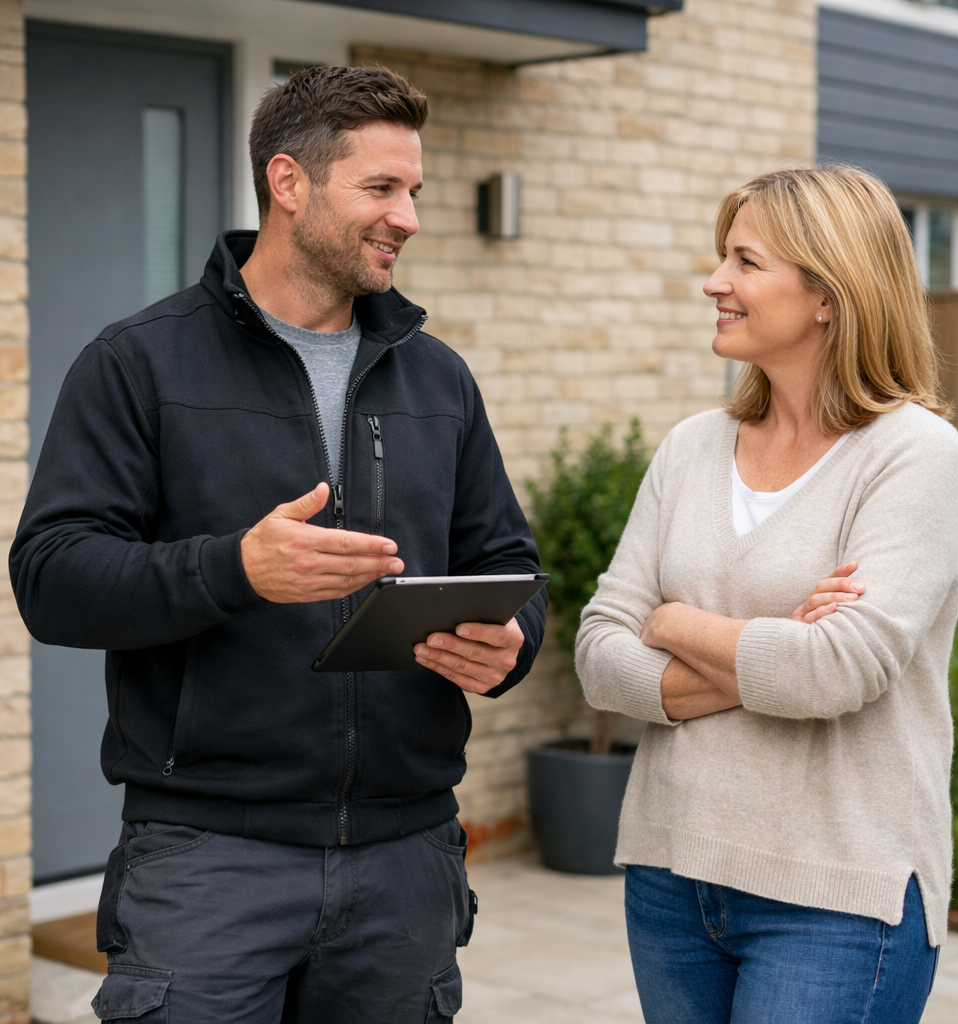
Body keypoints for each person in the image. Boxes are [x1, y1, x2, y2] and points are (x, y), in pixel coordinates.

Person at [11, 65, 547, 1023]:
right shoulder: (139, 361)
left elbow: (513, 567)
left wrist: (511, 646)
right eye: (381, 189)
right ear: (289, 183)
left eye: (413, 191)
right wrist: (235, 568)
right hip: (207, 865)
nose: (409, 217)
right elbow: (53, 579)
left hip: (407, 861)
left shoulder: (439, 378)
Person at [575, 165, 958, 1024]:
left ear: (829, 293)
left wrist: (675, 622)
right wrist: (771, 643)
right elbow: (600, 656)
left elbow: (835, 673)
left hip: (835, 898)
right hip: (672, 875)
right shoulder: (690, 446)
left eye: (745, 262)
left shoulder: (914, 455)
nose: (716, 282)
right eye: (724, 258)